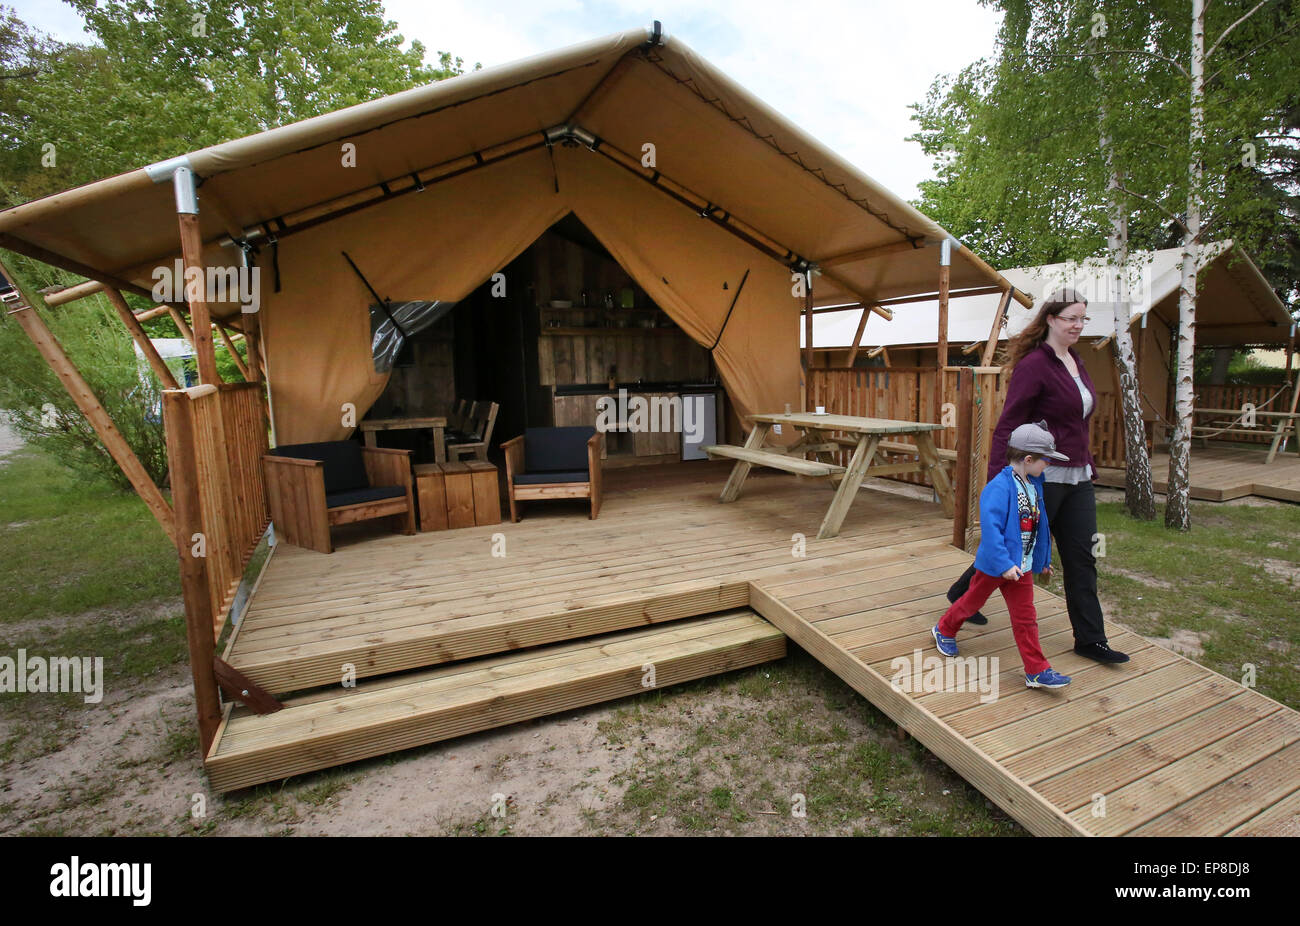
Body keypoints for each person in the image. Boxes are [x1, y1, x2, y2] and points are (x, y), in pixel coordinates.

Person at [947, 288, 1129, 663]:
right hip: (1040, 479)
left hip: (1077, 477)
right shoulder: (1034, 365)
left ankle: (1090, 639)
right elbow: (1009, 424)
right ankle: (961, 596)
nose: (1078, 325)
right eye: (1071, 319)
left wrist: (1087, 461)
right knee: (1016, 549)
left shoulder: (1076, 361)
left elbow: (1077, 422)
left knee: (1082, 557)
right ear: (1050, 319)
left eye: (1083, 319)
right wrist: (1003, 479)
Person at [932, 423, 1072, 689]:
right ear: (1028, 460)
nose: (1048, 466)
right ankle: (944, 628)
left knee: (1026, 619)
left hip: (1022, 568)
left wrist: (1042, 562)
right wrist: (1004, 564)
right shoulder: (999, 488)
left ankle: (1036, 670)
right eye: (1046, 460)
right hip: (995, 567)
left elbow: (1039, 528)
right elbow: (992, 532)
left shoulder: (1034, 486)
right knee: (971, 604)